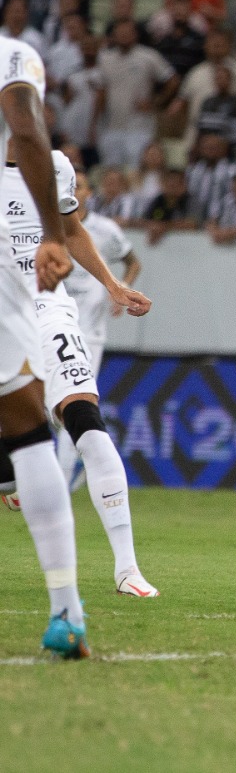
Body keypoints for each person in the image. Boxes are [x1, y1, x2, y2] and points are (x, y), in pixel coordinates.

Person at [0, 153, 157, 597]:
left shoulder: (55, 165)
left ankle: (127, 570)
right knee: (14, 462)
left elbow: (71, 230)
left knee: (86, 423)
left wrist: (114, 285)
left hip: (50, 310)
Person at [0, 33, 89, 657]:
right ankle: (66, 612)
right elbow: (27, 132)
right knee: (28, 427)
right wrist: (52, 234)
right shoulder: (11, 54)